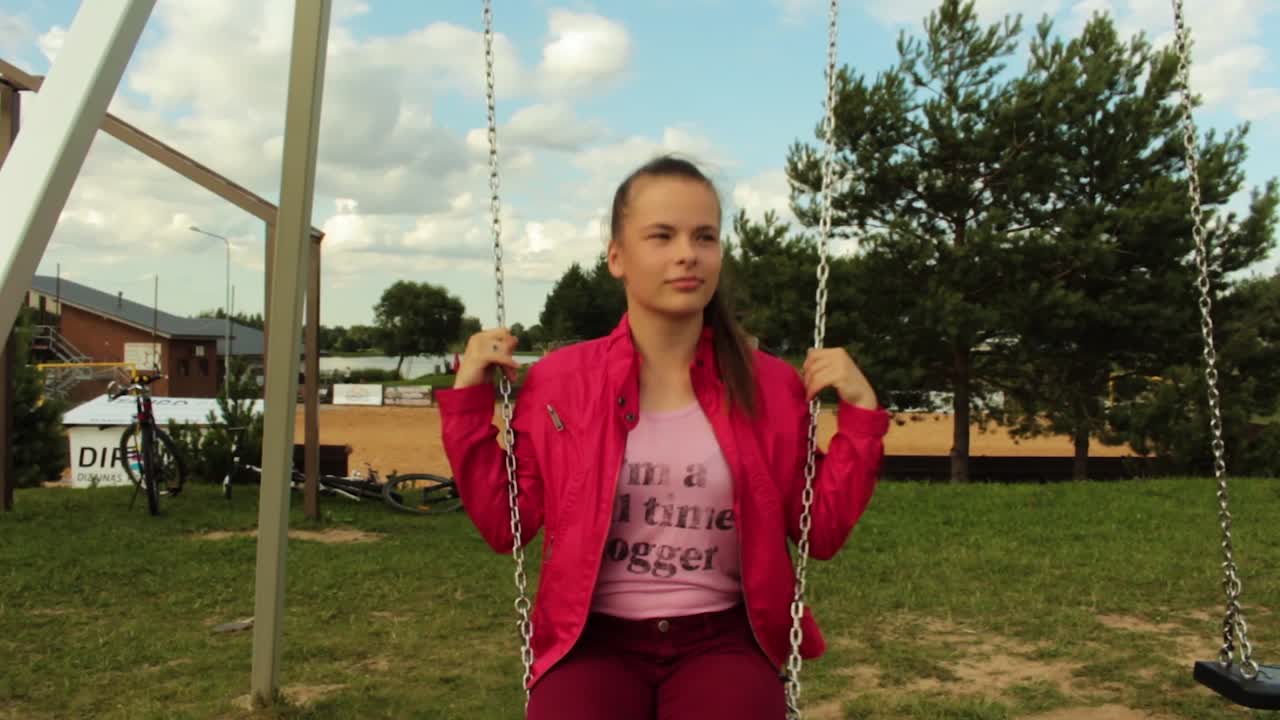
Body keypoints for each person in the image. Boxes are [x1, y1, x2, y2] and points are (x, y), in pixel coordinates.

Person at [437, 155, 889, 719]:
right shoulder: (558, 382)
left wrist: (862, 418)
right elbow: (509, 526)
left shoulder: (770, 384)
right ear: (617, 257)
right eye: (662, 235)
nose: (687, 254)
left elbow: (818, 530)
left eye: (705, 236)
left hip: (723, 637)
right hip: (592, 639)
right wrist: (467, 405)